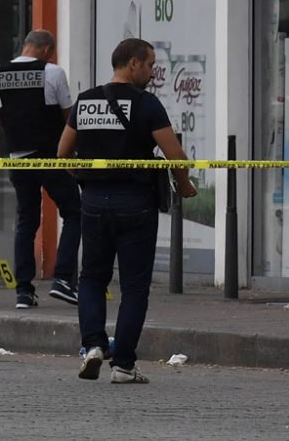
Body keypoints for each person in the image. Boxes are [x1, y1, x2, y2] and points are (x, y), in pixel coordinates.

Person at [57, 38, 196, 384]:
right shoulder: (146, 104)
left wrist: (87, 177)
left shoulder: (86, 101)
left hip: (93, 201)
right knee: (134, 287)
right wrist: (184, 184)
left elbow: (62, 154)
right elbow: (175, 154)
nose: (152, 73)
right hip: (135, 203)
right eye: (149, 65)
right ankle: (123, 365)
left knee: (91, 278)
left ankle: (92, 346)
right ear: (133, 64)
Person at [0, 29, 81, 309]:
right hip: (51, 156)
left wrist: (17, 123)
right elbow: (69, 118)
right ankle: (63, 280)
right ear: (47, 50)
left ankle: (24, 292)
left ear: (25, 46)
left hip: (18, 158)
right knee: (75, 212)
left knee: (26, 222)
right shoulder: (52, 72)